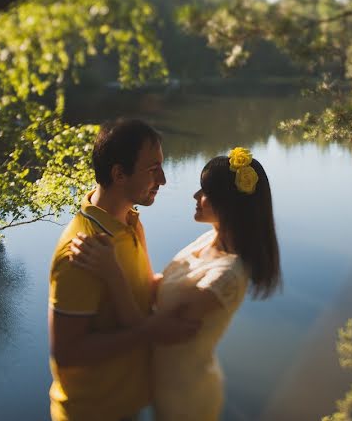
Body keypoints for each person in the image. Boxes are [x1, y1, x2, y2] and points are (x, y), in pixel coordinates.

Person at [69, 147, 281, 421]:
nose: (196, 197)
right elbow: (158, 289)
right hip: (163, 385)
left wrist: (111, 271)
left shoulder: (227, 276)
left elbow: (149, 328)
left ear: (229, 204)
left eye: (205, 193)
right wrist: (136, 233)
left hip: (185, 398)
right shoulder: (210, 239)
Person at [48, 119, 200, 421]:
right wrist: (152, 331)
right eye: (152, 169)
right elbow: (67, 352)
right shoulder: (82, 251)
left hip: (127, 405)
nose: (164, 180)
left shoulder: (129, 221)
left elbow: (140, 290)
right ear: (119, 174)